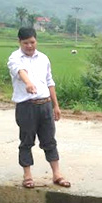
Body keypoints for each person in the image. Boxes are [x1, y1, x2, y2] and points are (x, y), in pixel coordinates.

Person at [7, 27, 71, 189]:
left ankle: (57, 174)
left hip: (45, 105)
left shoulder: (43, 58)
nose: (29, 46)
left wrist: (56, 106)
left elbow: (50, 82)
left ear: (36, 40)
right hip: (26, 106)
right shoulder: (15, 58)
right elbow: (19, 71)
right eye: (26, 43)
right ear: (19, 42)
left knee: (49, 140)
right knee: (27, 141)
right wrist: (28, 83)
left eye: (32, 42)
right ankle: (27, 175)